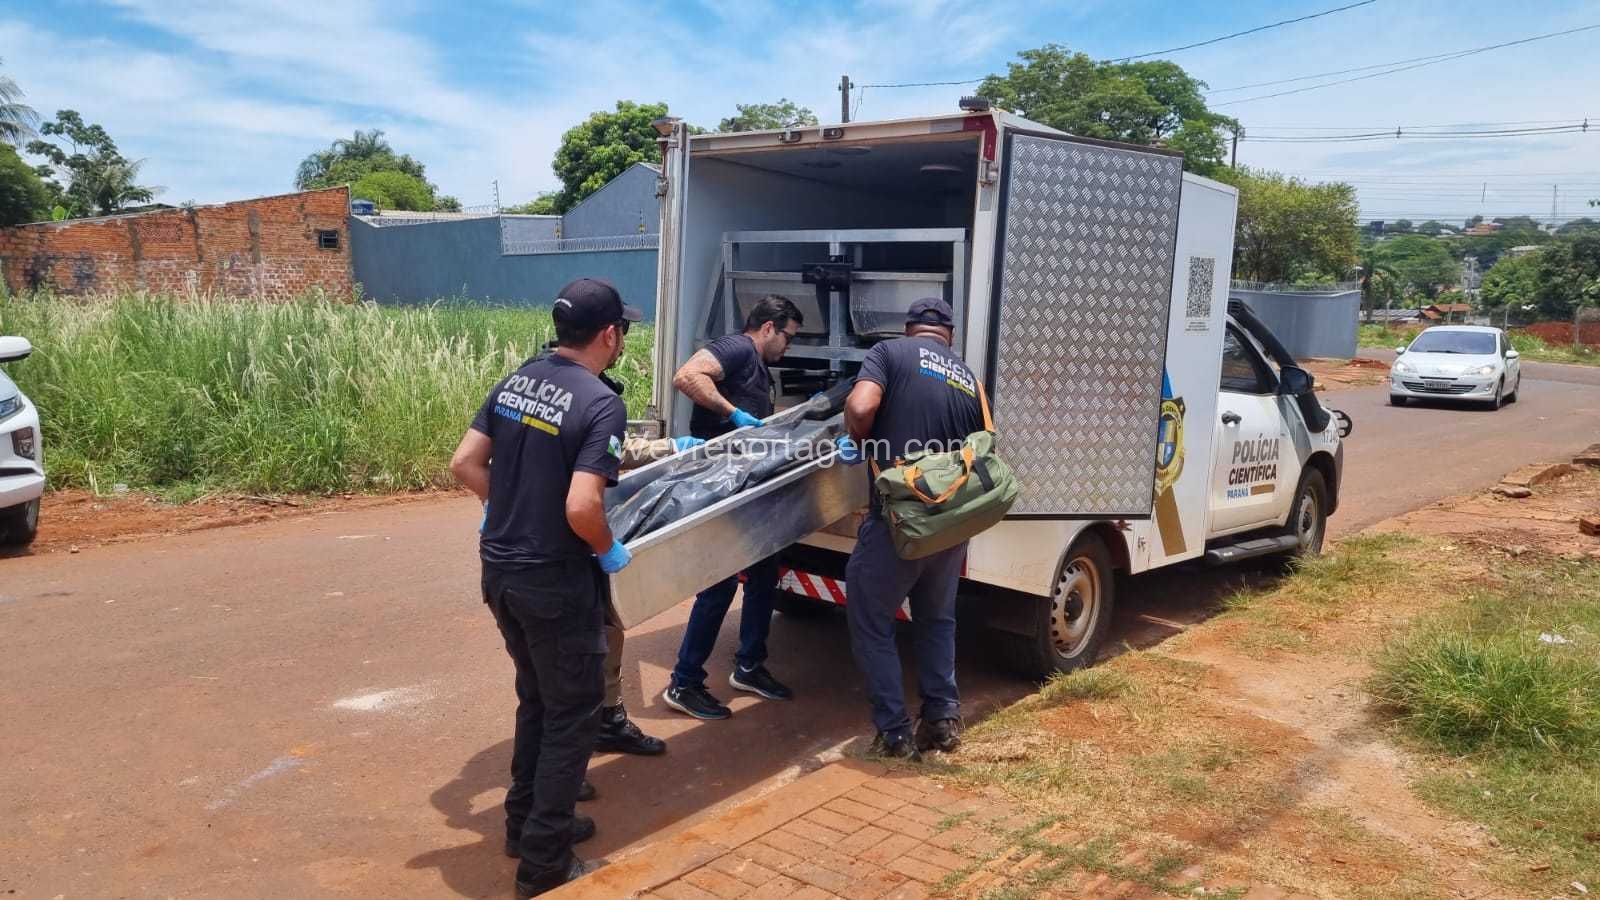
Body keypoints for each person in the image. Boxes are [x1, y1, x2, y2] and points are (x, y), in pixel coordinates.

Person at [449, 277, 642, 898]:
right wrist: (607, 549)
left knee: (538, 699)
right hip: (554, 580)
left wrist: (505, 506)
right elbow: (583, 506)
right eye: (623, 331)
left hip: (501, 570)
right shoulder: (600, 403)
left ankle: (524, 824)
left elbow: (464, 463)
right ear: (609, 334)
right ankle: (544, 864)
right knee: (573, 716)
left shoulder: (516, 380)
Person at [837, 298, 982, 759]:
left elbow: (861, 405)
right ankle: (942, 720)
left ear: (909, 329)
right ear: (949, 335)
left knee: (870, 617)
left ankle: (895, 733)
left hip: (900, 521)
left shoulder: (889, 353)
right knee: (937, 618)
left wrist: (856, 437)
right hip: (950, 525)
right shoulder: (970, 380)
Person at [661, 294, 804, 720]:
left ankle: (749, 666)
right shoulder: (738, 347)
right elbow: (686, 376)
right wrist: (732, 413)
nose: (788, 347)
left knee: (764, 572)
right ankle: (684, 683)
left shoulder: (756, 364)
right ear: (768, 328)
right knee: (719, 583)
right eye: (788, 337)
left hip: (746, 483)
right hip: (719, 481)